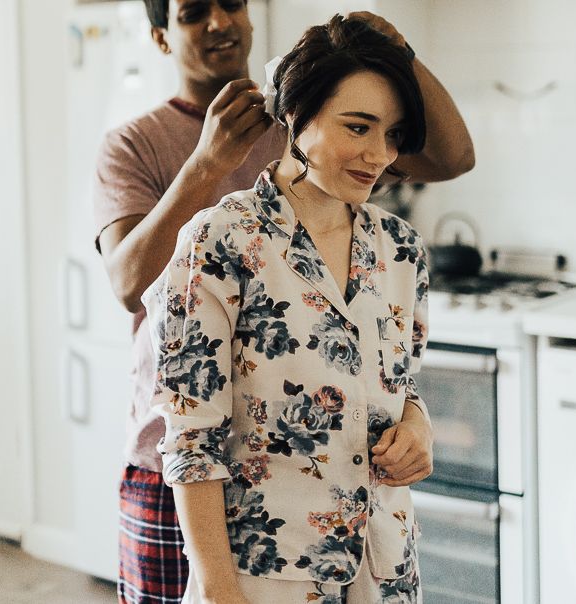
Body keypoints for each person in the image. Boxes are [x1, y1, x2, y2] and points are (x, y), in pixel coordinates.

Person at [93, 1, 474, 602]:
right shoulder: (176, 187)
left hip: (379, 560)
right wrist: (203, 165)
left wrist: (414, 422)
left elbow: (388, 380)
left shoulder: (396, 245)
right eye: (194, 12)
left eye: (392, 134)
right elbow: (128, 285)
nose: (379, 153)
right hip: (205, 481)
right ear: (162, 37)